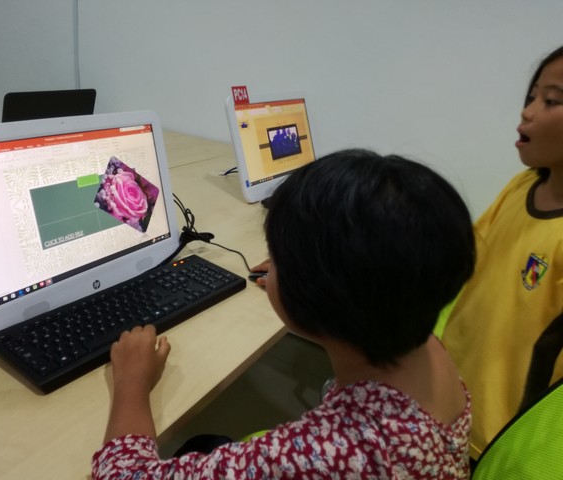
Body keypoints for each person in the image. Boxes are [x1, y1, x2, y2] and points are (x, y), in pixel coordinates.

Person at [92, 149, 475, 479]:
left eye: (277, 258)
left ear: (314, 296)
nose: (271, 265)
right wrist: (297, 279)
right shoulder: (420, 334)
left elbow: (126, 475)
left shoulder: (327, 454)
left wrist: (131, 383)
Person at [440, 45, 563, 461]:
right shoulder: (521, 186)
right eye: (532, 96)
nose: (527, 111)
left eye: (552, 101)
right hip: (449, 397)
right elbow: (462, 257)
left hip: (499, 439)